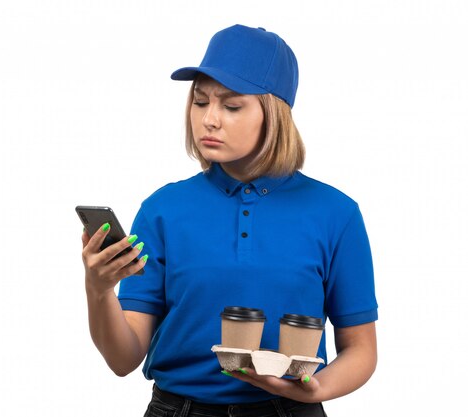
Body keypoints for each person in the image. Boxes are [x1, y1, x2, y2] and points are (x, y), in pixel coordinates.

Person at [81, 24, 378, 417]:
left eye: (231, 105)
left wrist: (316, 389)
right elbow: (123, 359)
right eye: (200, 102)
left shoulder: (336, 213)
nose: (209, 119)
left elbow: (361, 349)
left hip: (290, 410)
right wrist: (98, 290)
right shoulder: (163, 209)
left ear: (274, 113)